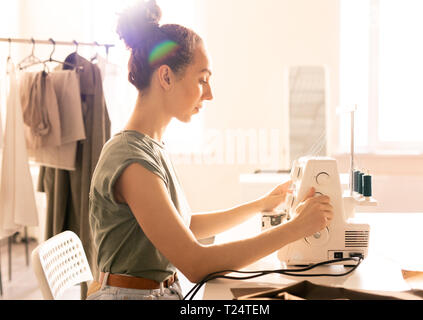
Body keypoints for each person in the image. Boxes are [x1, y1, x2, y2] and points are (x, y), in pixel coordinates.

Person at [87, 0, 333, 300]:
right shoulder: (131, 160)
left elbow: (182, 225)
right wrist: (296, 228)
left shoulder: (150, 148)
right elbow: (195, 264)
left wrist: (260, 205)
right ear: (165, 77)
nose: (210, 93)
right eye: (202, 79)